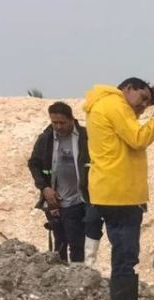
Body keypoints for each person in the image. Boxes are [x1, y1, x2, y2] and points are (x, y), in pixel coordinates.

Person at [83, 78, 154, 300]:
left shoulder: (105, 105)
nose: (143, 105)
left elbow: (128, 132)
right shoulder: (114, 105)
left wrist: (150, 99)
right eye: (142, 98)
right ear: (127, 89)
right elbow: (138, 138)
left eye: (148, 102)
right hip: (120, 194)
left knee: (124, 254)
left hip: (112, 191)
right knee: (125, 255)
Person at [27, 101, 101, 264]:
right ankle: (61, 279)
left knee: (77, 243)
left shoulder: (85, 137)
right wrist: (45, 188)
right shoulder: (46, 139)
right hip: (56, 201)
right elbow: (34, 164)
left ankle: (78, 277)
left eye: (62, 122)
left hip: (81, 199)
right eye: (55, 123)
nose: (58, 127)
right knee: (60, 244)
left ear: (71, 119)